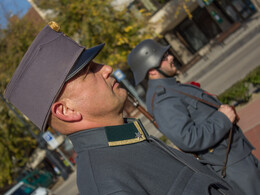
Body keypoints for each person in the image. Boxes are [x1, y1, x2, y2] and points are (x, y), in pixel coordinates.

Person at [5, 22, 236, 195]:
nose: (106, 68)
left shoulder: (127, 142)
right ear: (66, 111)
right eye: (90, 70)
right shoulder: (108, 183)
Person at [127, 39, 260, 195]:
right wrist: (223, 119)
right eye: (164, 57)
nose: (171, 58)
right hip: (230, 167)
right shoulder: (163, 100)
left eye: (168, 54)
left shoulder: (171, 88)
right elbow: (188, 139)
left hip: (236, 158)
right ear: (152, 71)